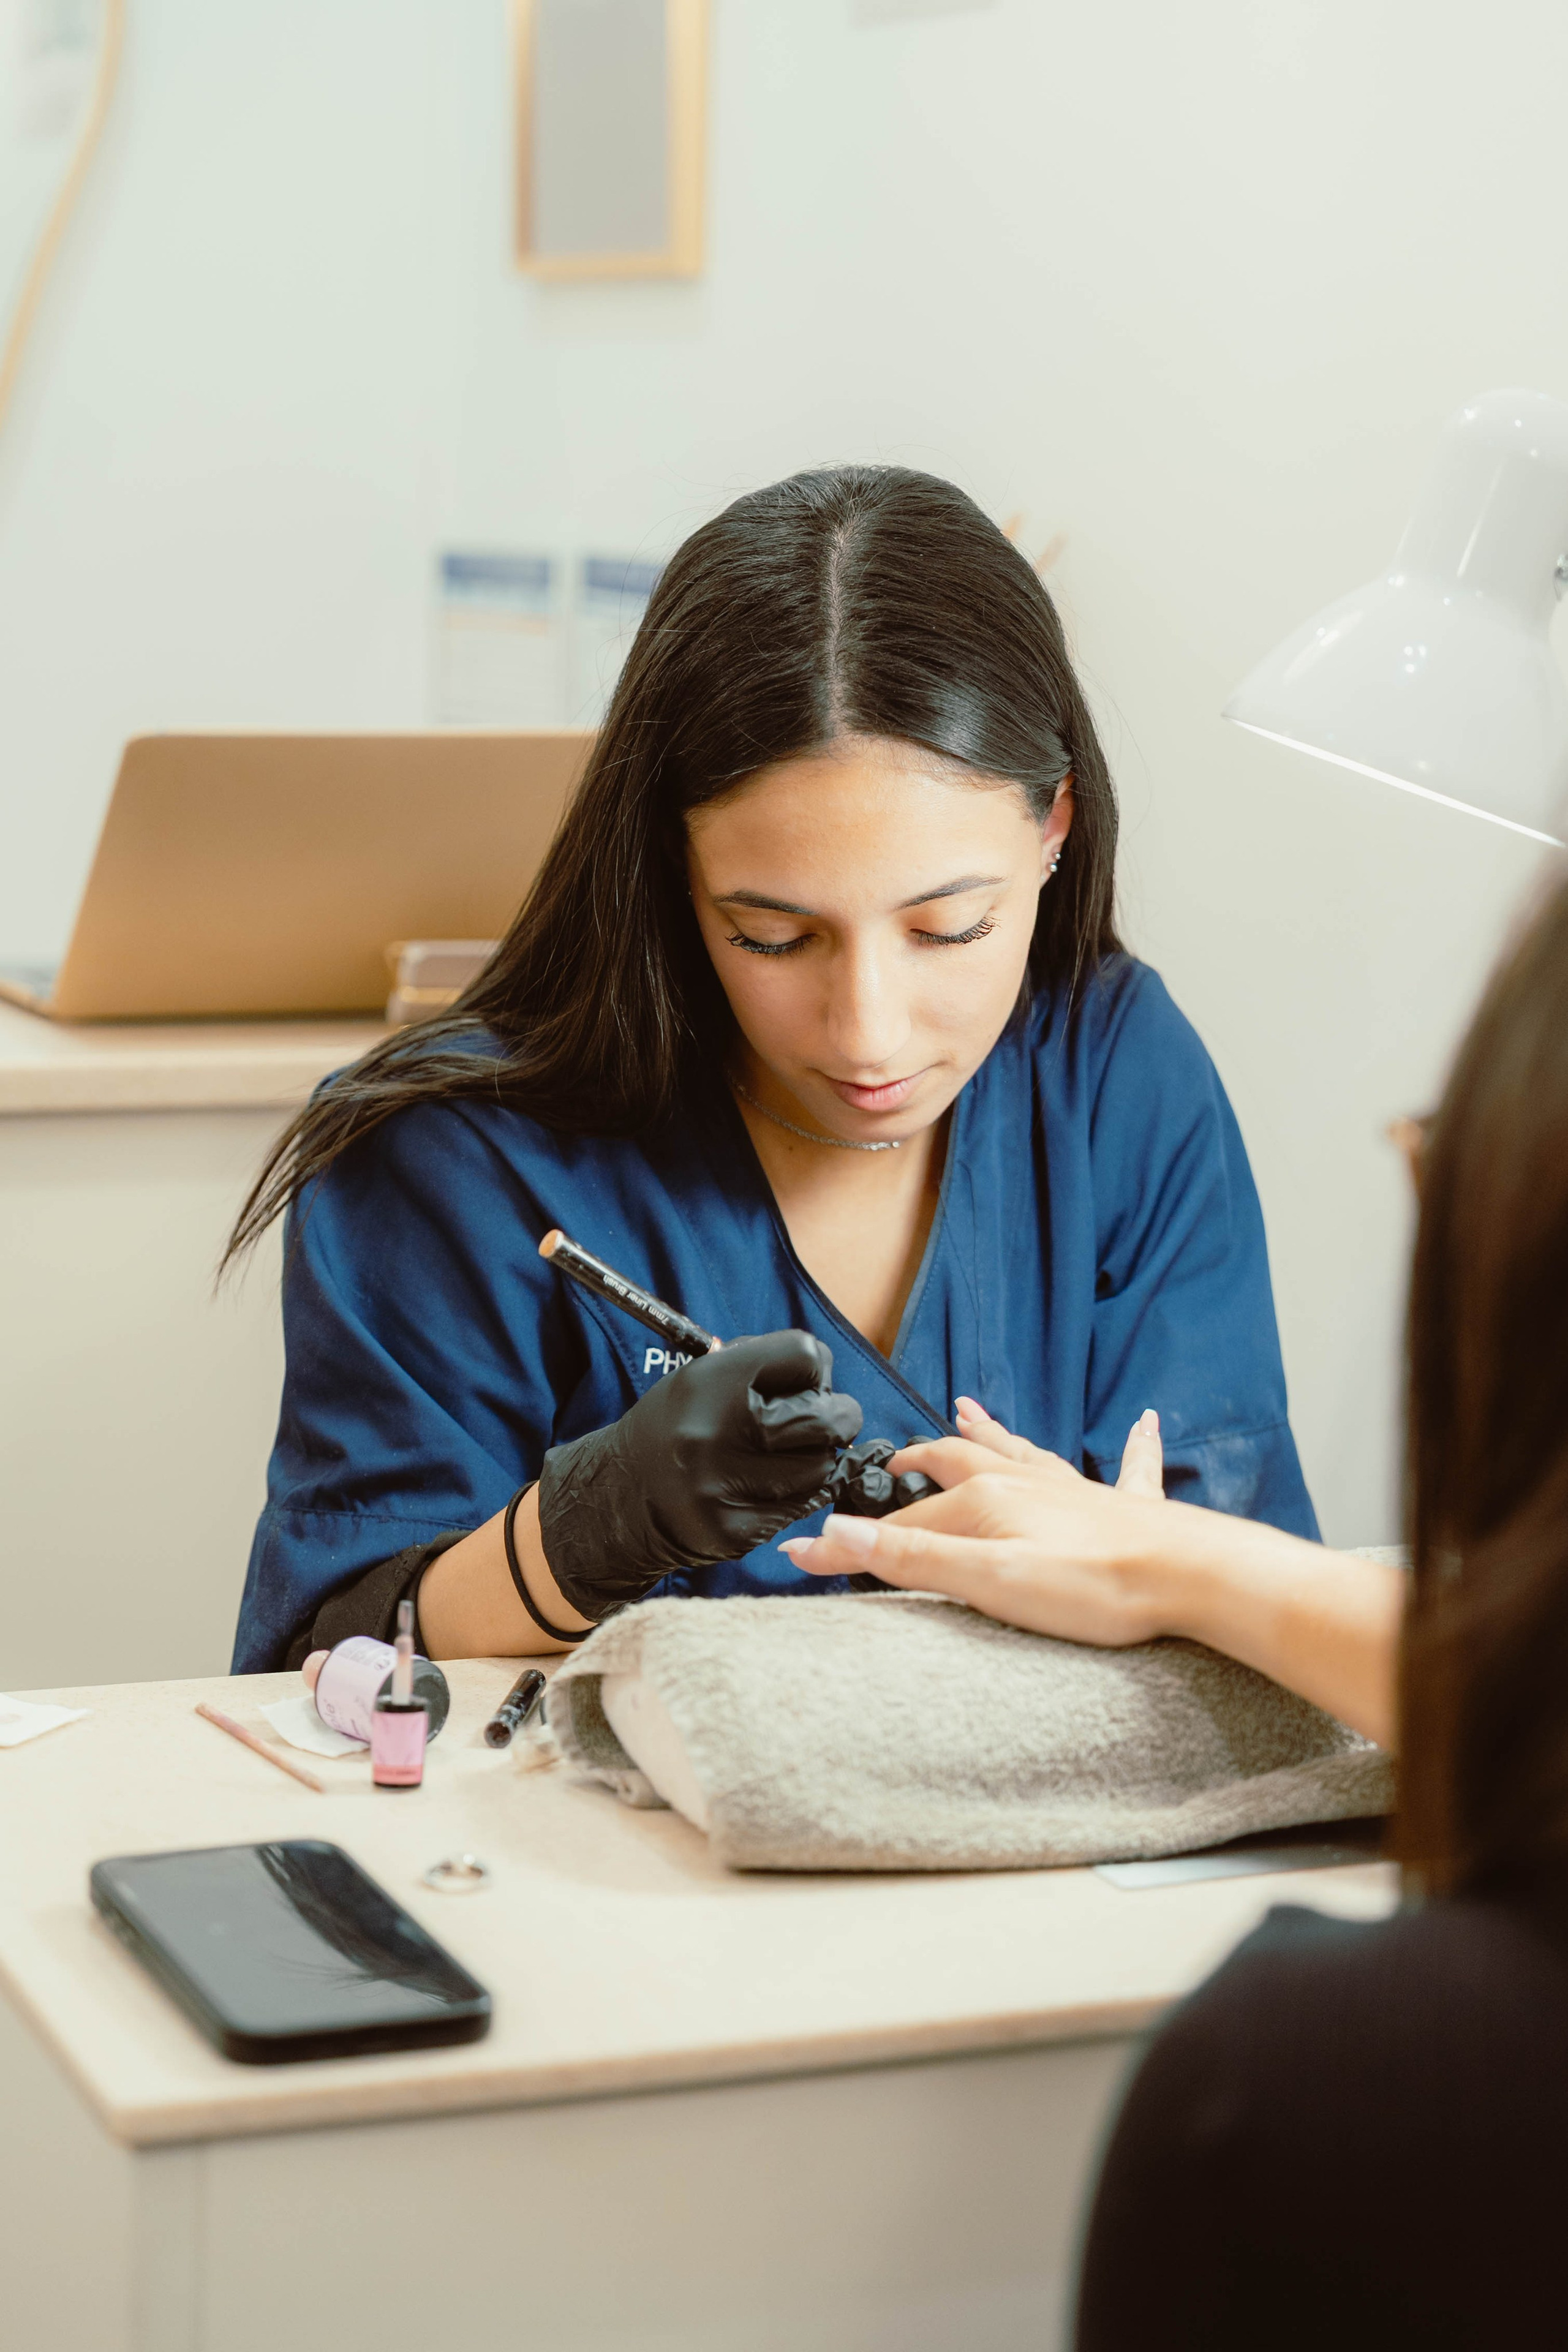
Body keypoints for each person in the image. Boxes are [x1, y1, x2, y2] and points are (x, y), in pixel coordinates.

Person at [227, 463, 1317, 1674]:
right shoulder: (453, 1160)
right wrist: (577, 1537)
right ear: (671, 869)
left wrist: (1142, 1559)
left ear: (1053, 825)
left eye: (947, 928)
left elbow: (1255, 1604)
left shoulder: (1113, 1072)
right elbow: (329, 1665)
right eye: (773, 935)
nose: (866, 1032)